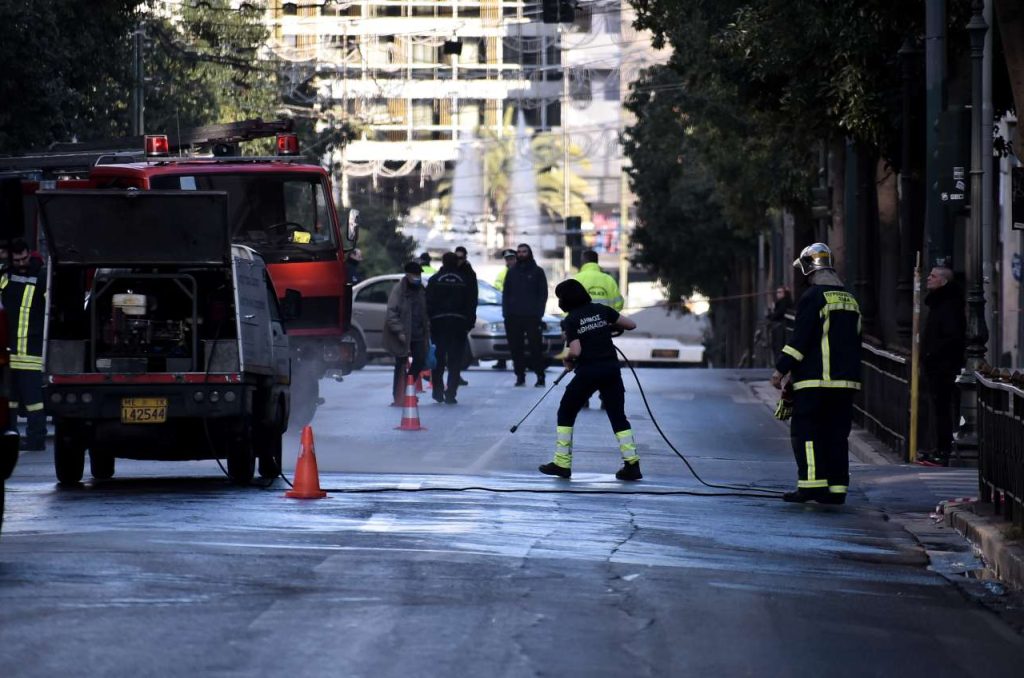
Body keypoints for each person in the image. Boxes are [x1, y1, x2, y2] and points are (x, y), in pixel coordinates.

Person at [771, 243, 861, 504]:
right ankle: (836, 489)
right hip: (846, 382)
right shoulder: (850, 299)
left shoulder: (812, 297)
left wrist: (781, 370)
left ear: (809, 268)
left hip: (815, 380)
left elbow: (801, 339)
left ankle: (811, 485)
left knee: (807, 433)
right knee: (836, 435)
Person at [538, 279, 640, 481]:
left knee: (566, 411)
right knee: (618, 416)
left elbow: (576, 350)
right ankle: (632, 465)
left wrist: (568, 360)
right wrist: (603, 327)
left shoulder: (571, 319)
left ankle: (562, 463)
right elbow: (631, 324)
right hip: (611, 370)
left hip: (589, 372)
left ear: (565, 300)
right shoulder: (601, 309)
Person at [0, 239, 47, 450]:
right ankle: (11, 437)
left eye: (24, 258)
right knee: (10, 401)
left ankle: (36, 439)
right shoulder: (5, 276)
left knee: (33, 402)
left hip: (31, 350)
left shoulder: (41, 276)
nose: (21, 263)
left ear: (30, 254)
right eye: (17, 259)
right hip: (11, 351)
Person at [919, 266, 965, 466]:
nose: (928, 278)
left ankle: (943, 450)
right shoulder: (939, 304)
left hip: (944, 367)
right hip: (938, 365)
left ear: (943, 281)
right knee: (939, 409)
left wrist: (932, 353)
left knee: (943, 410)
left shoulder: (948, 305)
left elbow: (951, 336)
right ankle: (938, 448)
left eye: (933, 276)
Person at [426, 252, 476, 404]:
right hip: (458, 325)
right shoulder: (465, 280)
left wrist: (429, 321)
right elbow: (471, 303)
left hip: (438, 324)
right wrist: (469, 323)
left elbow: (428, 302)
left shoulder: (435, 279)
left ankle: (438, 391)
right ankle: (451, 393)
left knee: (438, 360)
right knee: (455, 362)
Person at [383, 262, 431, 406]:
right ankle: (398, 394)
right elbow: (391, 313)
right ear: (408, 275)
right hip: (403, 334)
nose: (417, 277)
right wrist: (399, 331)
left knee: (420, 360)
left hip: (418, 333)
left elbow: (425, 311)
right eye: (415, 275)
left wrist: (427, 327)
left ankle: (408, 387)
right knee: (400, 364)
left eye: (419, 275)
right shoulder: (399, 290)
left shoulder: (421, 290)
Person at [502, 243, 548, 387]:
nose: (521, 254)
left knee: (535, 347)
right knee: (516, 348)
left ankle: (540, 376)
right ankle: (520, 376)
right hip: (513, 317)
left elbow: (543, 294)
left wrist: (538, 313)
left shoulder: (538, 272)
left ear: (529, 253)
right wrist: (506, 314)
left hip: (532, 317)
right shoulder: (512, 272)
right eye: (519, 252)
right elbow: (506, 294)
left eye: (524, 251)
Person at [452, 246, 477, 386]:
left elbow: (473, 297)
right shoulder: (448, 271)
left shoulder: (469, 274)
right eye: (456, 258)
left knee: (458, 349)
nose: (458, 261)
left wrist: (470, 318)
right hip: (446, 317)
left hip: (461, 318)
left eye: (461, 258)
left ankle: (455, 375)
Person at [491, 249, 517, 371]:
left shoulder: (519, 271)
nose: (509, 261)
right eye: (507, 259)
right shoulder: (502, 274)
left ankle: (516, 361)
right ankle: (502, 360)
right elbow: (497, 289)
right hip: (505, 307)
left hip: (518, 309)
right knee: (504, 335)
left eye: (511, 258)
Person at [767, 286, 793, 355]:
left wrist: (771, 316)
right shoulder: (781, 302)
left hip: (782, 328)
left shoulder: (784, 302)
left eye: (780, 292)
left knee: (780, 346)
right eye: (777, 292)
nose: (778, 294)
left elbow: (779, 313)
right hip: (782, 327)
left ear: (784, 294)